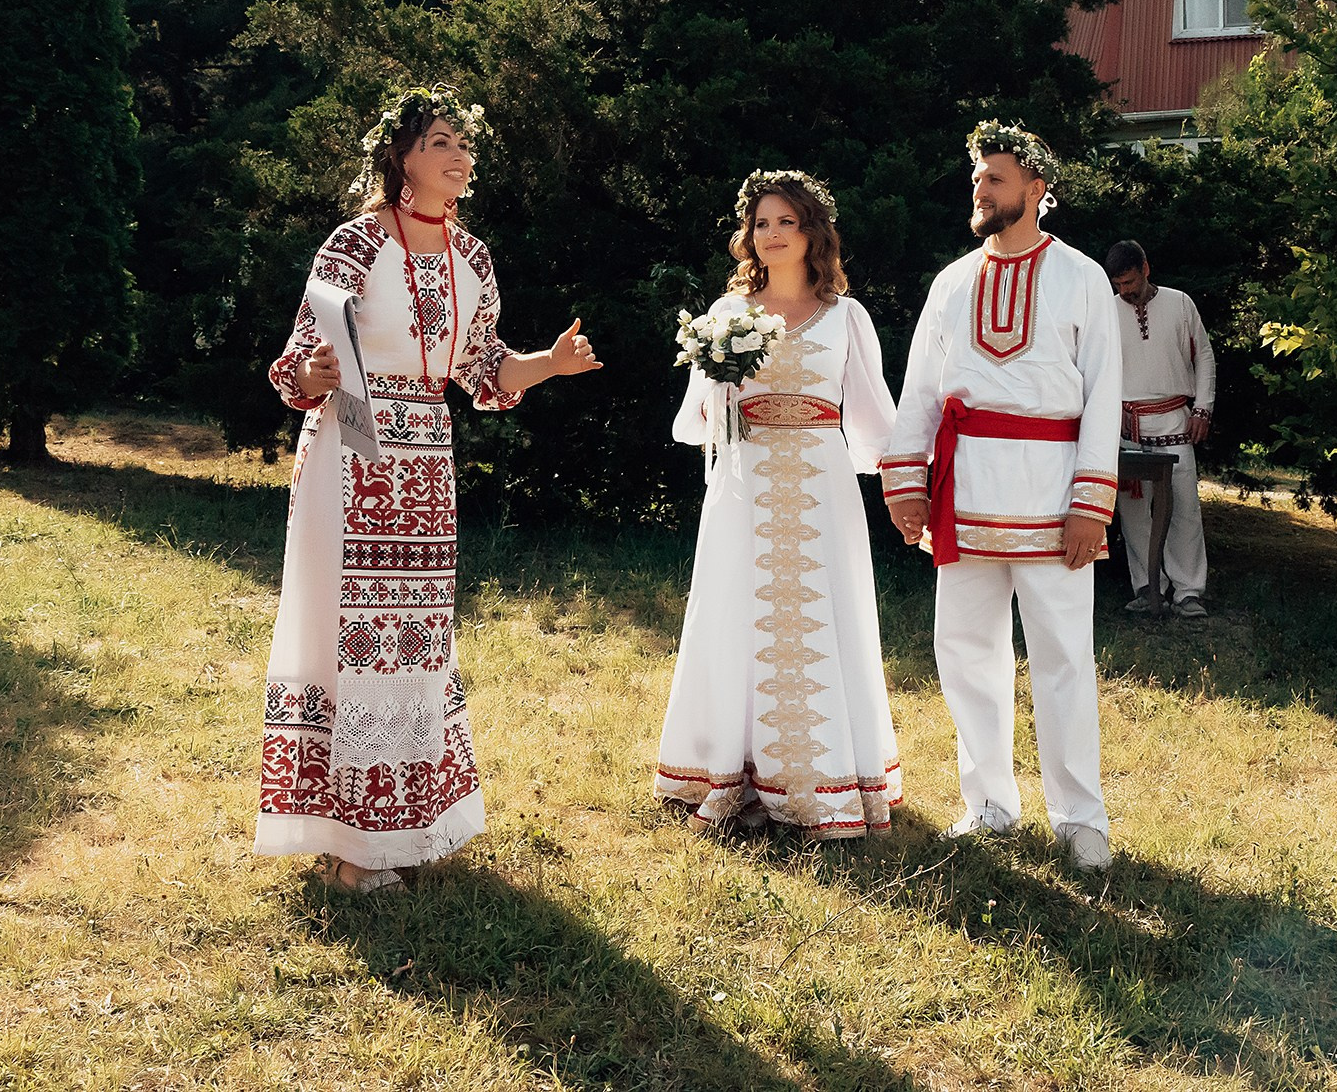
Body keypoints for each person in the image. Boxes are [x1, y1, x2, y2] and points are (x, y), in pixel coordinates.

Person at [257, 85, 601, 893]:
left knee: (412, 641)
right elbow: (296, 365)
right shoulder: (353, 243)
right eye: (443, 141)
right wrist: (312, 372)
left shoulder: (474, 258)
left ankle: (403, 828)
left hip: (425, 465)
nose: (460, 155)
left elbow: (485, 371)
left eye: (463, 143)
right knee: (348, 638)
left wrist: (548, 363)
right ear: (402, 157)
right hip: (349, 457)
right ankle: (349, 847)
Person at [881, 122, 1121, 871]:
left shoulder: (1084, 276)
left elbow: (1104, 396)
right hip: (965, 493)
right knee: (963, 651)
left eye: (996, 179)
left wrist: (1091, 502)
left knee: (1062, 656)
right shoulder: (951, 282)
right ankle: (988, 803)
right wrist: (906, 482)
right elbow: (921, 388)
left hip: (1054, 499)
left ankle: (1079, 818)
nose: (980, 191)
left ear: (1036, 190)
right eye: (977, 179)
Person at [655, 170, 904, 837]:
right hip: (747, 482)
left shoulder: (847, 316)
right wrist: (724, 387)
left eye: (785, 222)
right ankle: (732, 771)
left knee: (825, 616)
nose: (770, 235)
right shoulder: (727, 316)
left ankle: (822, 778)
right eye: (760, 224)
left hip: (822, 482)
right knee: (740, 615)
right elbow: (699, 418)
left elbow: (876, 417)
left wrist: (910, 477)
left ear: (811, 231)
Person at [1103, 240, 1216, 618]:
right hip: (1128, 427)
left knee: (1184, 508)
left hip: (1175, 422)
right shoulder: (1106, 310)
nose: (1126, 290)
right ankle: (1148, 585)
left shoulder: (1181, 303)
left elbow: (1203, 356)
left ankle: (1188, 591)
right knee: (1134, 511)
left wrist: (1203, 407)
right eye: (1119, 284)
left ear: (1146, 269)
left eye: (1130, 281)